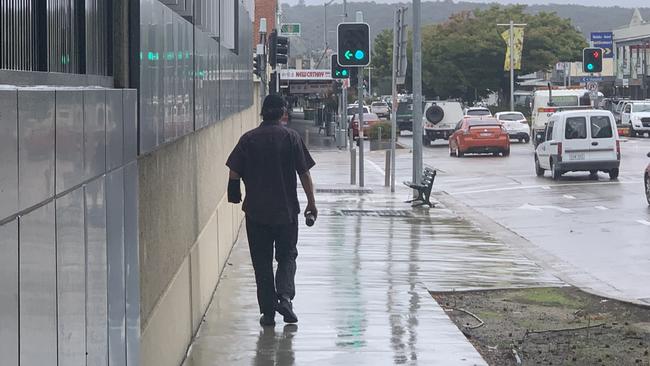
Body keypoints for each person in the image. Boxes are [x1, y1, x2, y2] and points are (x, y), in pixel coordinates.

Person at [226, 95, 317, 327]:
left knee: (262, 262)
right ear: (283, 113)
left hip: (256, 213)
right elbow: (304, 173)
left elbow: (234, 170)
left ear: (262, 112)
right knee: (287, 256)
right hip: (286, 212)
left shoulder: (248, 139)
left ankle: (268, 313)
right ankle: (285, 297)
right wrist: (311, 202)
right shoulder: (291, 137)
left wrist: (234, 191)